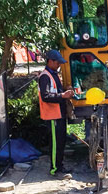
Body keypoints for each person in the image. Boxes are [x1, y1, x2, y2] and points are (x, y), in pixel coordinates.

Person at [38, 49, 75, 179]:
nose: (59, 65)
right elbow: (45, 96)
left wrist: (66, 91)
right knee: (55, 144)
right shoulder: (45, 76)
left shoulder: (53, 74)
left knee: (61, 142)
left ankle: (60, 166)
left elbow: (56, 91)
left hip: (59, 114)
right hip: (52, 115)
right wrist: (63, 95)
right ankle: (55, 170)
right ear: (50, 61)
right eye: (57, 62)